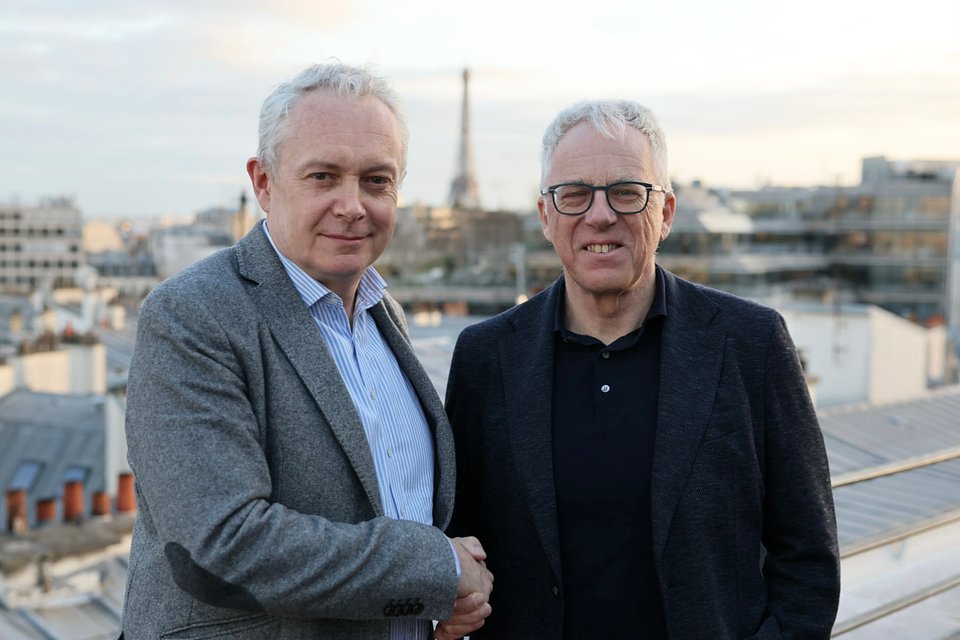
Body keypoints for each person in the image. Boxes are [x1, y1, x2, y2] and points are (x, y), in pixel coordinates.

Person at [440, 100, 840, 640]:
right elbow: (460, 535)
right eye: (573, 194)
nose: (599, 215)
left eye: (627, 192)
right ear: (545, 217)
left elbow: (809, 559)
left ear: (666, 212)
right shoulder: (484, 357)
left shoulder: (752, 343)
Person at [121, 62, 492, 640]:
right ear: (263, 182)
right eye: (323, 176)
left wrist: (426, 605)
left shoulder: (381, 314)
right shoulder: (192, 314)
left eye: (376, 180)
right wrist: (437, 568)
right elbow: (223, 544)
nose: (353, 205)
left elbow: (395, 513)